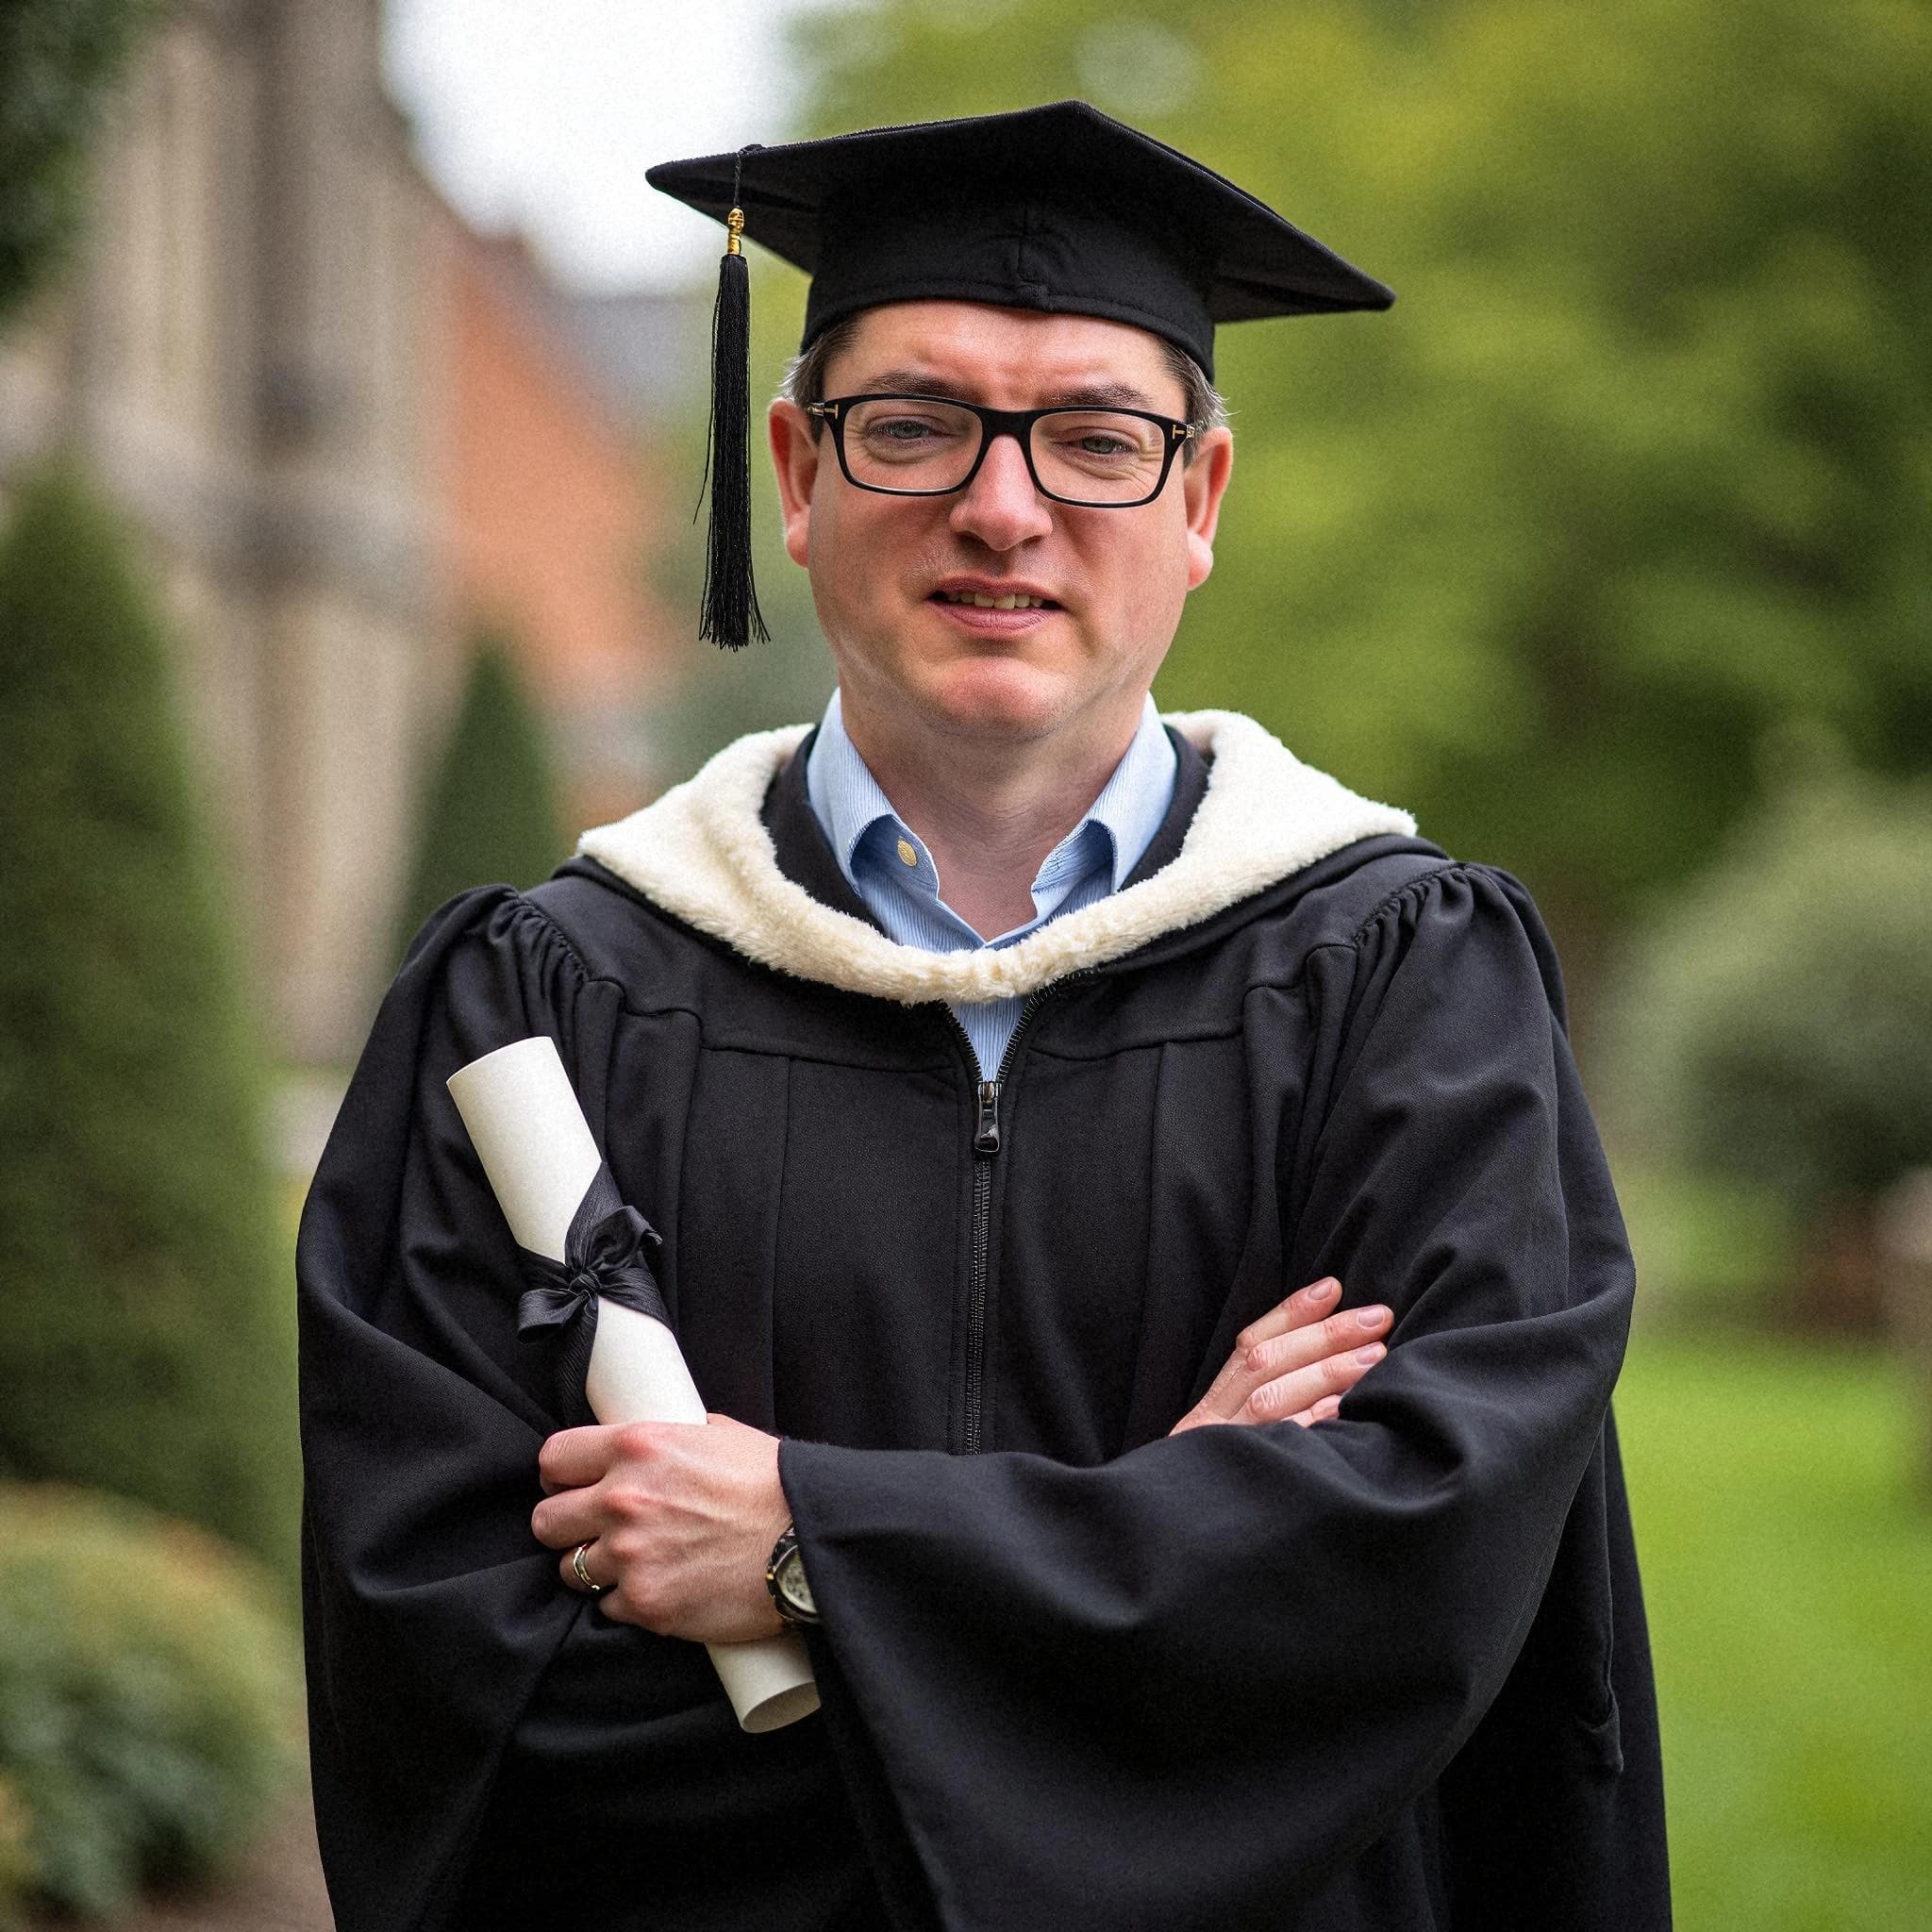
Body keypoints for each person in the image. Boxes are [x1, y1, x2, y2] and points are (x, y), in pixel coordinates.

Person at [297, 101, 1669, 1931]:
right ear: (793, 469)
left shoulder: (1406, 990)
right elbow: (465, 1700)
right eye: (916, 424)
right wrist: (1168, 1551)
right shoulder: (538, 1006)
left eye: (1097, 438)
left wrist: (802, 1552)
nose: (1000, 506)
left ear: (1198, 503)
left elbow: (1409, 1607)